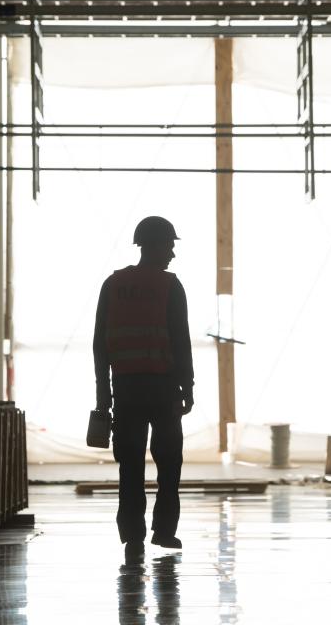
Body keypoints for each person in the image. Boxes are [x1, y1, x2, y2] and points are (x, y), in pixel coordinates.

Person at [93, 216, 194, 561]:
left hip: (126, 390)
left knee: (130, 463)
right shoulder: (170, 286)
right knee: (169, 463)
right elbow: (181, 342)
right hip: (163, 389)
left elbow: (99, 346)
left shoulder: (113, 285)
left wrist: (102, 396)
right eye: (169, 246)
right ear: (152, 245)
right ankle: (164, 532)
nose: (172, 255)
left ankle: (132, 533)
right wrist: (188, 386)